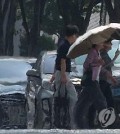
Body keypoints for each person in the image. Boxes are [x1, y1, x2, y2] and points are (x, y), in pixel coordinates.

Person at [51, 25, 79, 129]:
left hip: (61, 73)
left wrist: (55, 75)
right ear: (72, 35)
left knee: (62, 96)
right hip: (63, 74)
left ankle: (63, 120)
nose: (76, 38)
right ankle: (69, 121)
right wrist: (62, 76)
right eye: (75, 35)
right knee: (70, 96)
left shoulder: (63, 45)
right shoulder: (65, 46)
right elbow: (62, 61)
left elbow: (57, 61)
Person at [74, 43, 107, 129]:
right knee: (101, 102)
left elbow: (99, 68)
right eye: (101, 42)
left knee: (83, 103)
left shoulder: (97, 52)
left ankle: (79, 123)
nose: (102, 43)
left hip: (93, 81)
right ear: (96, 43)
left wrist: (100, 64)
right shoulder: (93, 52)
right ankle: (105, 124)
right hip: (91, 81)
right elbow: (86, 65)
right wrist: (96, 63)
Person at [100, 40, 120, 108]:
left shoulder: (104, 53)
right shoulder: (102, 53)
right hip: (103, 79)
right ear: (105, 44)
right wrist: (115, 57)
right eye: (110, 43)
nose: (111, 45)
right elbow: (106, 66)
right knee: (103, 99)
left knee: (109, 99)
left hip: (106, 80)